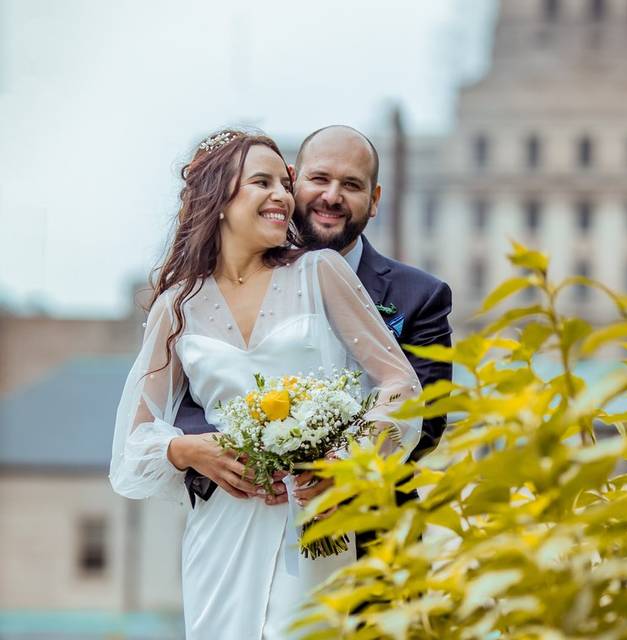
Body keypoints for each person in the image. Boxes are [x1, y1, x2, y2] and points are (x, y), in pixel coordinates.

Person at [109, 130, 423, 639]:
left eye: (285, 181)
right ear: (218, 199)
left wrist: (346, 459)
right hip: (221, 529)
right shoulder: (178, 306)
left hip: (312, 517)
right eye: (262, 182)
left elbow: (400, 384)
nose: (282, 195)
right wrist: (189, 449)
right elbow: (135, 445)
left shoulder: (319, 272)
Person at [173, 126, 453, 541]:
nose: (332, 196)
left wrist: (348, 467)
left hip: (373, 538)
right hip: (242, 523)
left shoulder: (421, 295)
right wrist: (207, 449)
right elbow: (182, 396)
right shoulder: (214, 290)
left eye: (352, 185)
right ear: (293, 181)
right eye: (319, 179)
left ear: (374, 201)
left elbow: (425, 415)